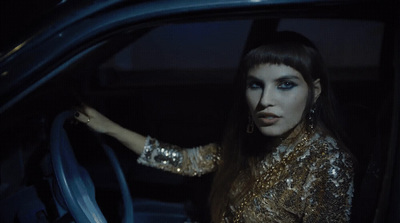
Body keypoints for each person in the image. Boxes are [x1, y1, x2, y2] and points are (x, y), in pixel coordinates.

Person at [74, 31, 355, 223]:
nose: (265, 101)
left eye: (285, 85)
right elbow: (185, 161)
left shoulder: (328, 162)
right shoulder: (250, 141)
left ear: (314, 91)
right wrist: (109, 127)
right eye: (256, 85)